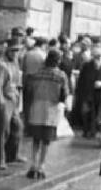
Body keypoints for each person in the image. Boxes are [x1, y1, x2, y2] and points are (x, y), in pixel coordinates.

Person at [26, 49, 69, 179]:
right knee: (46, 140)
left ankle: (33, 165)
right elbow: (64, 95)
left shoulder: (36, 74)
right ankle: (41, 166)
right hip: (51, 110)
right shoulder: (61, 76)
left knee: (36, 139)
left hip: (36, 108)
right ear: (58, 61)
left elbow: (29, 91)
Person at [0, 37, 25, 169]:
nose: (16, 53)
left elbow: (17, 81)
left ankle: (12, 155)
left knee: (17, 127)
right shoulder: (0, 64)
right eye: (13, 50)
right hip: (4, 99)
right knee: (2, 131)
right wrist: (0, 103)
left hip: (13, 99)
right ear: (8, 50)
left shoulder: (15, 62)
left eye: (18, 50)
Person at [76, 44, 101, 138]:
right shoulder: (87, 66)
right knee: (86, 113)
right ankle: (87, 130)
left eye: (99, 57)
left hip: (99, 94)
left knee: (96, 113)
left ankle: (93, 131)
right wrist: (80, 93)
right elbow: (81, 80)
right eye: (97, 57)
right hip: (87, 93)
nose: (98, 59)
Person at [22, 37, 47, 131]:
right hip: (39, 81)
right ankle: (34, 126)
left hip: (28, 79)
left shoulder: (28, 54)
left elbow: (23, 68)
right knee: (36, 104)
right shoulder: (43, 55)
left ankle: (26, 126)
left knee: (27, 104)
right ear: (43, 45)